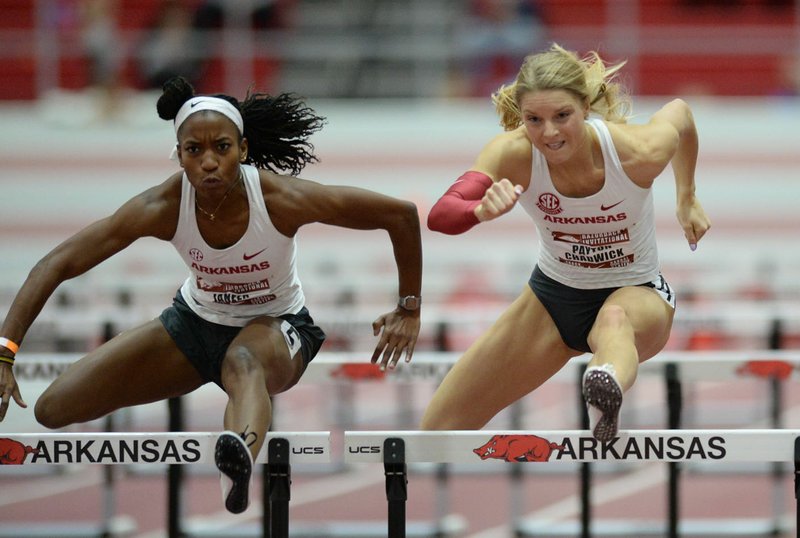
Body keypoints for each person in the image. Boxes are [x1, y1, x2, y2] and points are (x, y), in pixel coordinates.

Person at [0, 76, 422, 513]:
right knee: (53, 408)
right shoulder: (162, 206)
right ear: (178, 154)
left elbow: (400, 215)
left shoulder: (280, 199)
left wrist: (408, 307)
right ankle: (226, 406)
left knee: (242, 360)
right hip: (194, 325)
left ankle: (235, 465)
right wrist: (4, 351)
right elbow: (57, 263)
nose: (208, 162)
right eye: (194, 150)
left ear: (242, 149)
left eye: (221, 148)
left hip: (277, 329)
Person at [420, 43, 710, 442]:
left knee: (613, 322)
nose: (549, 133)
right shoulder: (512, 153)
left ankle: (603, 388)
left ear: (585, 107)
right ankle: (601, 380)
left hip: (635, 291)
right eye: (534, 120)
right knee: (434, 431)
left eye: (562, 116)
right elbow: (440, 215)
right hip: (552, 299)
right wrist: (478, 212)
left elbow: (680, 113)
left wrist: (687, 197)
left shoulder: (637, 153)